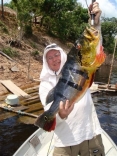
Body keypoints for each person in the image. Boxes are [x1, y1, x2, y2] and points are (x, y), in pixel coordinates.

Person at [39, 1, 105, 156]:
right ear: (45, 63)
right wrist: (61, 115)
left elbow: (94, 46)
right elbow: (48, 109)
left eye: (56, 54)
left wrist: (96, 23)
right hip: (65, 142)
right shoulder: (45, 85)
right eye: (50, 58)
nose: (54, 59)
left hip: (91, 134)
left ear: (62, 55)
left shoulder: (81, 65)